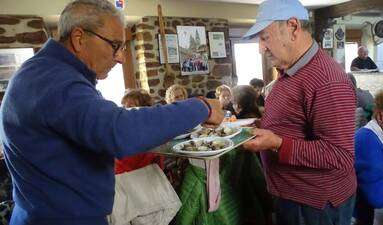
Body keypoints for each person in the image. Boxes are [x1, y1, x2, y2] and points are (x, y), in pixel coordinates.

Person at [0, 1, 223, 225]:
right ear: (79, 38)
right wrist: (201, 106)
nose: (121, 58)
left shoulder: (47, 72)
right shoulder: (53, 80)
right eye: (115, 45)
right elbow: (120, 131)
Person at [242, 1, 357, 225]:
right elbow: (293, 122)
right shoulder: (292, 69)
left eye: (265, 37)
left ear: (293, 27)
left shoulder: (327, 80)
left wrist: (277, 143)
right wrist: (258, 126)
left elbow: (340, 155)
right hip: (294, 197)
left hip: (315, 205)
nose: (260, 48)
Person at [354, 89, 383, 225]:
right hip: (349, 216)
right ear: (380, 116)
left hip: (366, 213)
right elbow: (378, 196)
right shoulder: (367, 140)